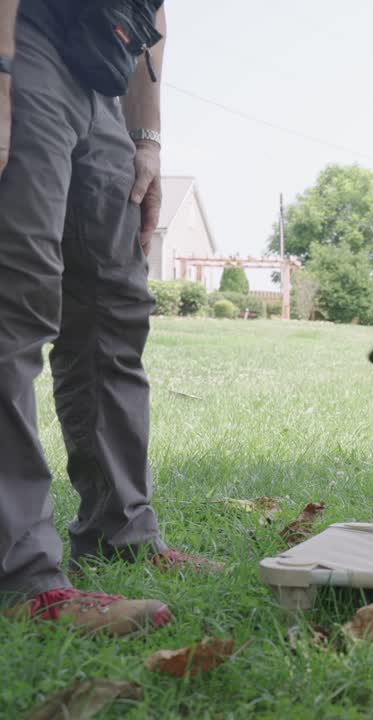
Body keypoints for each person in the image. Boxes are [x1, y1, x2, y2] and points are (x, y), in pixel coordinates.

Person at [0, 0, 219, 637]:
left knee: (115, 309)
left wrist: (146, 138)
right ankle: (19, 576)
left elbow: (154, 17)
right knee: (16, 298)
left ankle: (119, 532)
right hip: (25, 34)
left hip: (102, 68)